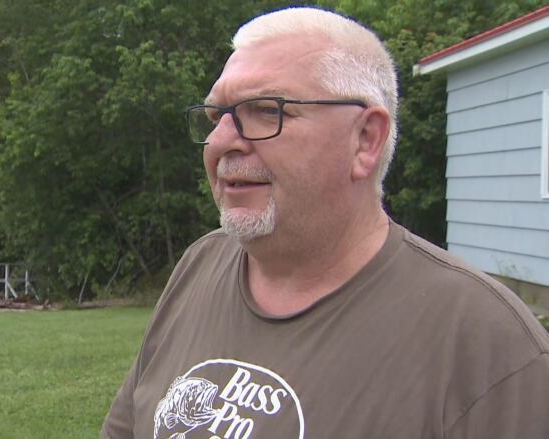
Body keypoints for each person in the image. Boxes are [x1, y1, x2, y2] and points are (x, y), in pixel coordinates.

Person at [101, 6, 549, 439]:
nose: (220, 142)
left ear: (365, 140)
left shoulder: (487, 345)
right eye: (217, 116)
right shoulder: (200, 264)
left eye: (266, 110)